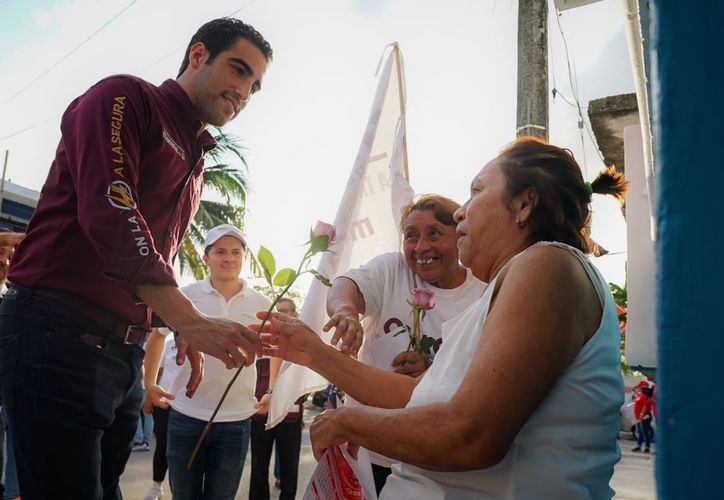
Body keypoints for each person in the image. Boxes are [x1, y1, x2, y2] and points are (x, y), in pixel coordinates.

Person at [258, 137, 628, 499]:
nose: (460, 211)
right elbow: (415, 396)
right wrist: (314, 353)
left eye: (476, 190)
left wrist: (349, 422)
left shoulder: (547, 264)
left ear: (523, 204)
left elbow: (469, 434)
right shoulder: (518, 277)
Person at [0, 18, 272, 499]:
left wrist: (164, 321)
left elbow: (157, 253)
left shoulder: (198, 160)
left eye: (255, 85)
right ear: (197, 55)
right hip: (57, 334)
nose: (244, 91)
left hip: (122, 355)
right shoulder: (126, 96)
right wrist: (187, 319)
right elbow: (112, 210)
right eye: (238, 70)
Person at [324, 194, 487, 492]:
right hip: (367, 451)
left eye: (435, 233)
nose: (421, 247)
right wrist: (345, 311)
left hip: (429, 460)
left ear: (460, 236)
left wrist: (431, 369)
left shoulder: (483, 293)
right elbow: (344, 285)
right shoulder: (393, 268)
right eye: (411, 236)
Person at [144, 224, 271, 500]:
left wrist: (272, 391)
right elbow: (156, 337)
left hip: (236, 421)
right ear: (206, 258)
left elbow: (279, 350)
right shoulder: (184, 296)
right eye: (221, 251)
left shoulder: (262, 303)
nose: (229, 258)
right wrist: (149, 383)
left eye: (236, 252)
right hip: (185, 416)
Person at [250, 298, 305, 500]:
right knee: (258, 469)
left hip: (289, 418)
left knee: (290, 471)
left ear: (295, 314)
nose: (279, 315)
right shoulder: (262, 341)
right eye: (276, 312)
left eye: (284, 311)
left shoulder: (302, 345)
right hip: (260, 416)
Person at [141, 336, 178, 500]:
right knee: (163, 445)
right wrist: (149, 397)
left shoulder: (202, 340)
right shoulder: (168, 342)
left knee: (180, 451)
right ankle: (157, 486)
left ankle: (179, 490)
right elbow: (157, 372)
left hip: (188, 407)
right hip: (164, 403)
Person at [632, 380, 653, 453]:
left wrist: (641, 414)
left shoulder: (644, 396)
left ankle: (647, 447)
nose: (637, 388)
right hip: (639, 418)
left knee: (645, 432)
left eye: (639, 386)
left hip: (644, 417)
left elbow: (646, 405)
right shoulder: (640, 395)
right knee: (640, 432)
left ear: (642, 387)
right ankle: (638, 446)